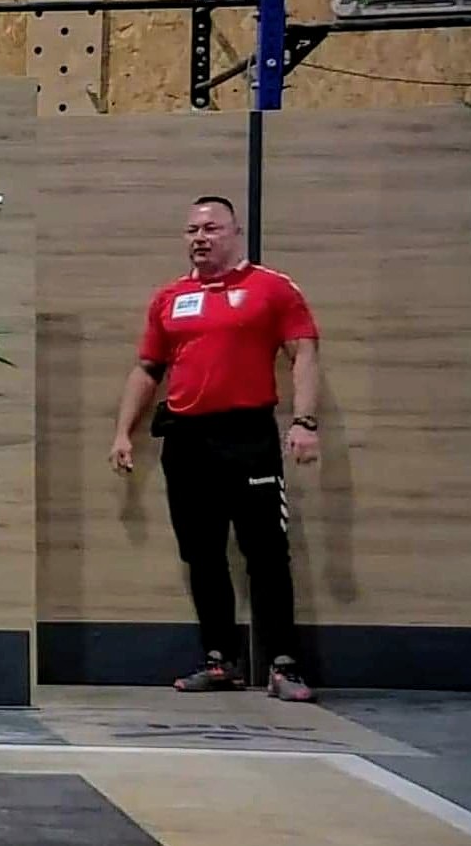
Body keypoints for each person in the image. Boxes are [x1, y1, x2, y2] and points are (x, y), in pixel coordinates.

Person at [108, 195, 320, 703]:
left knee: (266, 553)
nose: (200, 238)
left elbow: (305, 352)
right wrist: (123, 432)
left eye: (211, 229)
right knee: (202, 555)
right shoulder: (170, 298)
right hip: (186, 440)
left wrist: (305, 422)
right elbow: (147, 369)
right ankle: (220, 659)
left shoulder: (272, 288)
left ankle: (283, 664)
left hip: (248, 436)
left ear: (235, 233)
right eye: (192, 230)